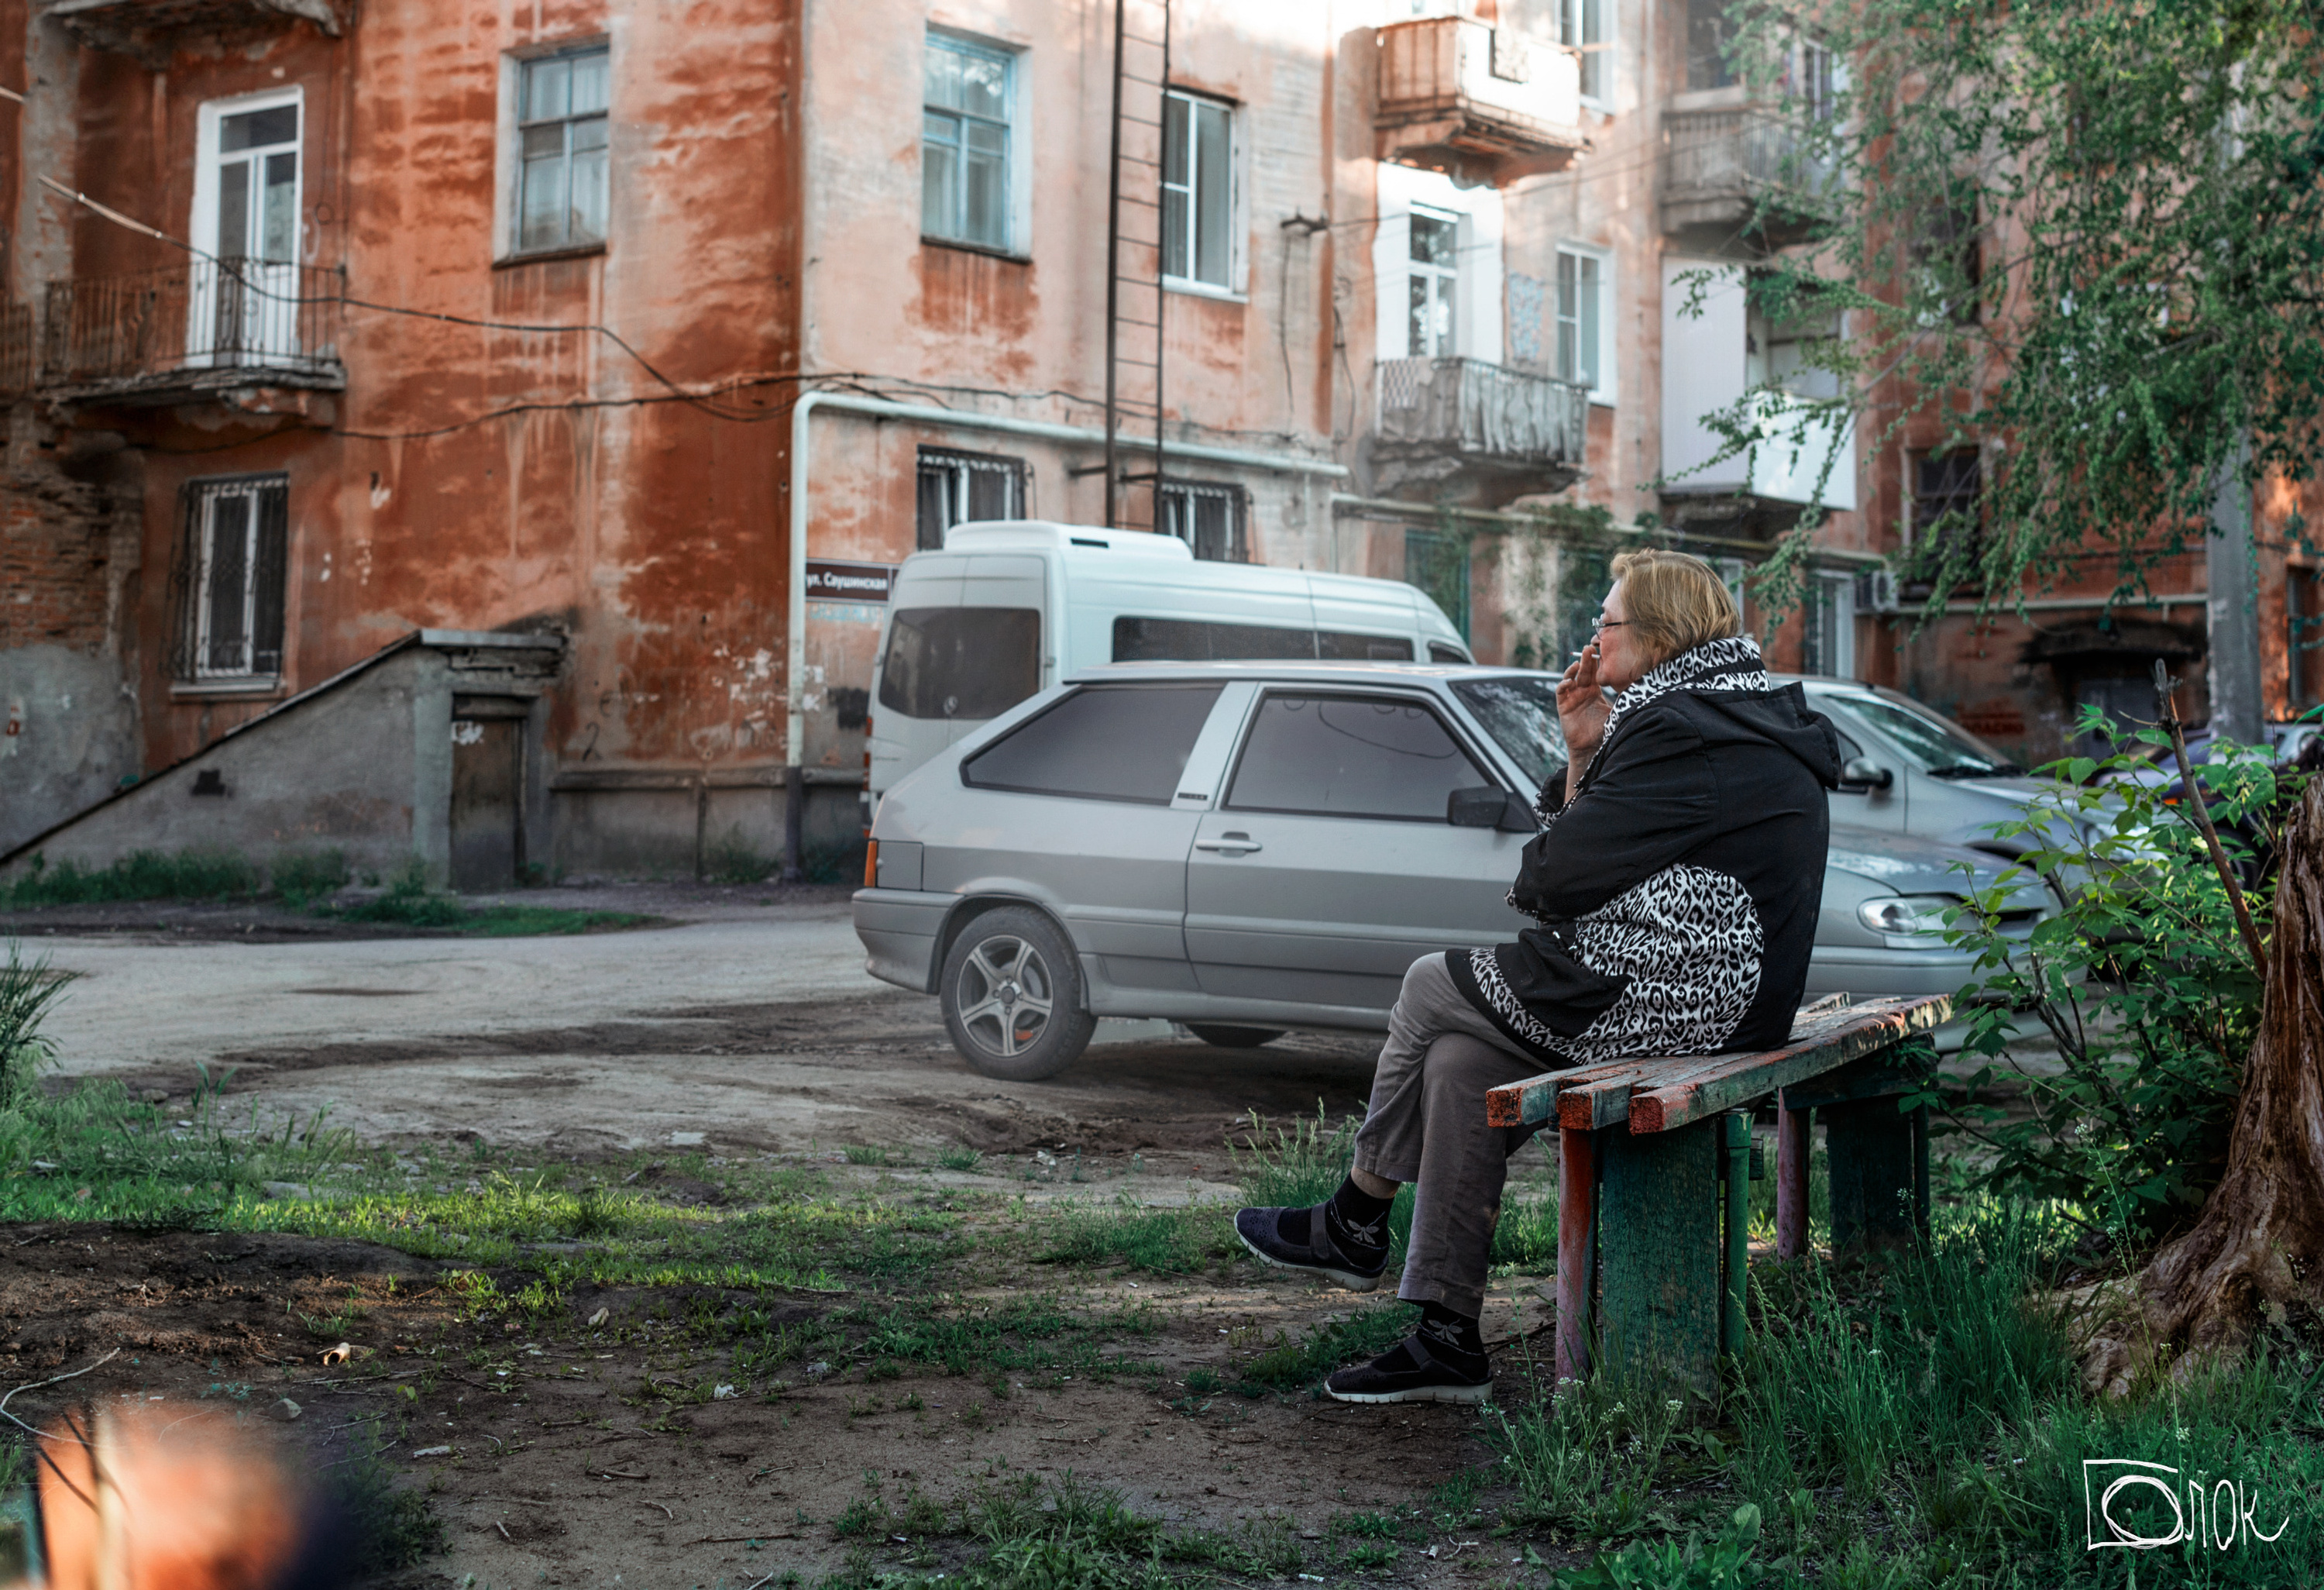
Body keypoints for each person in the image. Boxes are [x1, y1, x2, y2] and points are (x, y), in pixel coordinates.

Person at [1235, 549, 1841, 1402]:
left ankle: (1354, 1218)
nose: (1593, 639)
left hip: (1676, 994)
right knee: (1457, 1068)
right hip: (1721, 995)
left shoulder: (1681, 728)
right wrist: (1585, 748)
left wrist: (1588, 764)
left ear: (1660, 636)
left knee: (1424, 984)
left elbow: (1552, 882)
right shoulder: (1728, 713)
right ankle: (1445, 1337)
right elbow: (1589, 874)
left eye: (1608, 623)